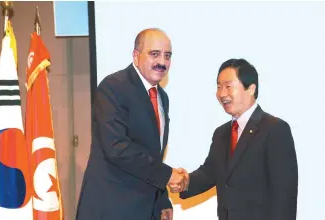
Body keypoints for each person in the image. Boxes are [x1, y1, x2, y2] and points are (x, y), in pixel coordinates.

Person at [76, 28, 186, 220]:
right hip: (111, 209)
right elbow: (116, 147)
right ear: (136, 56)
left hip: (145, 209)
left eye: (167, 56)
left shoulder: (162, 97)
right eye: (154, 54)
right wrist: (168, 175)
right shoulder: (113, 87)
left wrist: (162, 200)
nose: (162, 62)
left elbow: (151, 153)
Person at [177, 58, 298, 220]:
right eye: (219, 87)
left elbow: (285, 195)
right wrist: (185, 181)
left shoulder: (275, 129)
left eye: (228, 86)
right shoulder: (221, 133)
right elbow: (209, 173)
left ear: (251, 88)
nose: (222, 94)